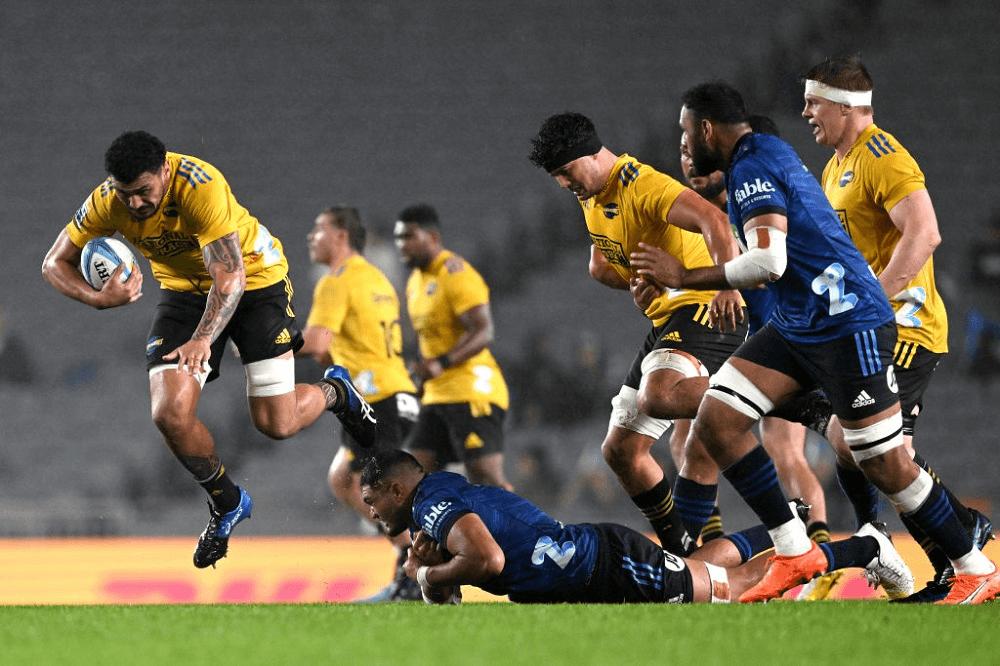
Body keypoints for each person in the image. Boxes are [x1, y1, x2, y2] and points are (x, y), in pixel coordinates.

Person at [629, 80, 1000, 604]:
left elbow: (769, 262)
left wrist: (685, 276)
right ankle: (794, 548)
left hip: (850, 325)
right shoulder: (760, 156)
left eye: (687, 135)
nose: (684, 146)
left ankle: (974, 565)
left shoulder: (754, 166)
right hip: (800, 323)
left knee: (884, 461)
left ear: (708, 129)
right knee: (717, 418)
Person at [41, 131, 377, 569]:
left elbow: (230, 278)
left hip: (255, 281)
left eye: (144, 192)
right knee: (168, 413)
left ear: (164, 171)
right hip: (183, 293)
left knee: (276, 424)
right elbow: (53, 263)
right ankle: (227, 501)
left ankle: (335, 391)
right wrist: (97, 298)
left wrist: (204, 338)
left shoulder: (200, 186)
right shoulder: (107, 200)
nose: (137, 204)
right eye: (127, 195)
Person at [801, 55, 994, 602]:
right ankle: (957, 547)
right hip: (871, 332)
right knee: (865, 448)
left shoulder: (882, 156)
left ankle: (947, 554)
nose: (805, 111)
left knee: (875, 453)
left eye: (814, 102)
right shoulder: (837, 165)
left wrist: (877, 302)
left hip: (905, 330)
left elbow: (925, 233)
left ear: (843, 106)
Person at [528, 112, 748, 556]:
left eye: (567, 172)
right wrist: (634, 280)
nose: (564, 184)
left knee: (660, 395)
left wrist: (726, 284)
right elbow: (601, 264)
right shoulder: (590, 193)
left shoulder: (641, 184)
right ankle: (680, 551)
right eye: (556, 178)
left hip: (706, 305)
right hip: (669, 317)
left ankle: (774, 390)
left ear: (591, 154)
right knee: (621, 451)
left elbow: (715, 222)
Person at [358, 449, 913, 604]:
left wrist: (432, 580)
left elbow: (489, 561)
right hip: (599, 560)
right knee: (708, 568)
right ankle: (779, 529)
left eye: (372, 500)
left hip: (610, 566)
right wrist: (435, 566)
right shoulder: (439, 493)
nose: (371, 511)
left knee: (740, 591)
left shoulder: (431, 506)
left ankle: (865, 547)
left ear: (397, 489)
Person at [678, 120, 840, 600]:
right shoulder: (722, 207)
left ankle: (816, 554)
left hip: (777, 345)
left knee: (781, 449)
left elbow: (768, 266)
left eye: (694, 150)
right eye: (683, 152)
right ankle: (718, 549)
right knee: (697, 436)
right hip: (756, 342)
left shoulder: (752, 204)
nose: (690, 161)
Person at [298, 206, 422, 601]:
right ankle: (414, 561)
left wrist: (266, 345)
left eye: (318, 228)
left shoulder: (337, 281)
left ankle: (416, 572)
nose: (310, 236)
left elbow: (316, 344)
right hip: (392, 391)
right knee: (344, 478)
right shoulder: (377, 279)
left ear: (340, 236)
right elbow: (338, 348)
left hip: (378, 399)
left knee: (378, 490)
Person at [392, 203, 513, 490]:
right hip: (437, 395)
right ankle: (439, 535)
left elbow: (484, 331)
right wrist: (422, 376)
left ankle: (539, 534)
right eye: (397, 238)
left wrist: (440, 363)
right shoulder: (415, 283)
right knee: (412, 479)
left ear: (432, 236)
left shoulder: (456, 274)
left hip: (471, 389)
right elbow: (430, 340)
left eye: (408, 236)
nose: (401, 245)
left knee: (485, 475)